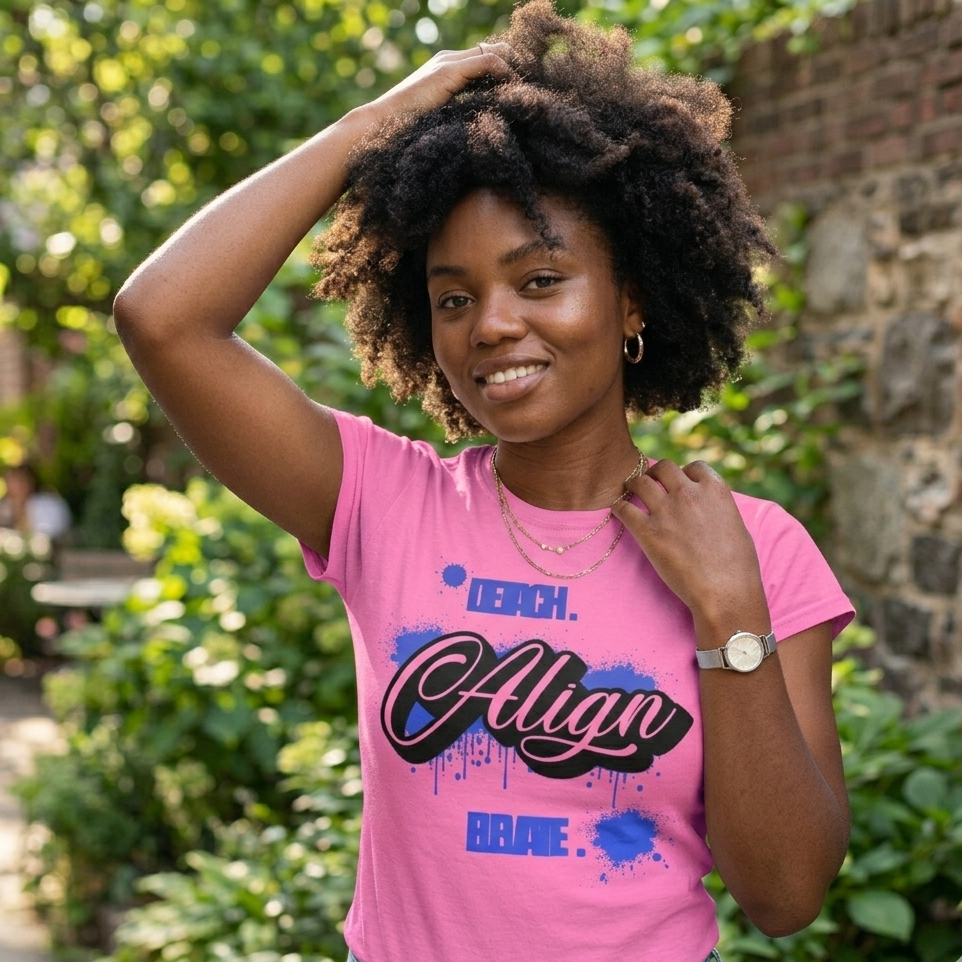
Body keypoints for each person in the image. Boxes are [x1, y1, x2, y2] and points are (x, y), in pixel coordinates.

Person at [113, 4, 854, 960]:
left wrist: (728, 612)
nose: (491, 325)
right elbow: (163, 318)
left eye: (540, 280)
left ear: (633, 299)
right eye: (454, 297)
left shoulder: (754, 550)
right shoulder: (383, 503)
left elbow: (786, 892)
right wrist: (373, 126)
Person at [0, 463, 71, 540]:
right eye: (9, 482)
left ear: (30, 482)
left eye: (16, 482)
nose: (11, 489)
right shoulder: (6, 507)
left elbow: (48, 534)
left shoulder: (48, 504)